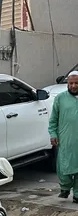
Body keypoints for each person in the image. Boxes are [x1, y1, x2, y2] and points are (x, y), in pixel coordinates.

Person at [48, 71, 78, 201]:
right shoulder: (60, 98)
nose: (73, 86)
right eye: (71, 83)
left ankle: (77, 194)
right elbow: (53, 119)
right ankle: (65, 187)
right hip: (65, 139)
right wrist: (53, 133)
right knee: (63, 167)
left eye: (76, 83)